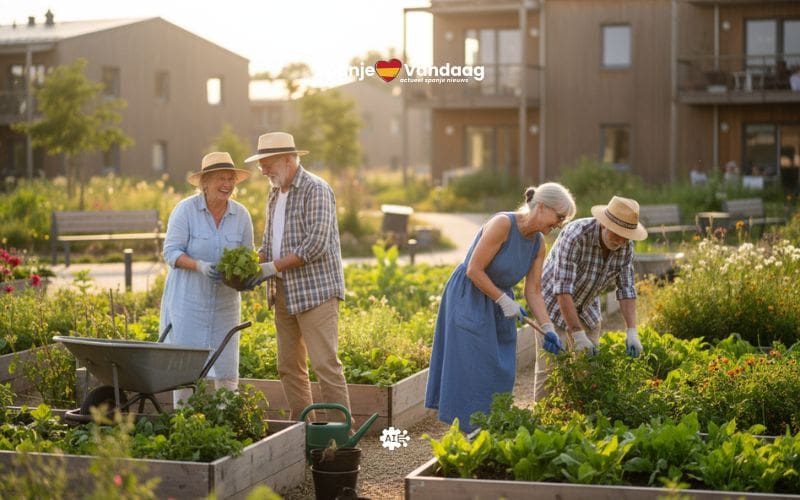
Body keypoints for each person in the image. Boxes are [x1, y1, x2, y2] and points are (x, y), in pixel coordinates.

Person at [425, 183, 577, 432]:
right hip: (470, 296)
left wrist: (548, 327)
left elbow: (533, 291)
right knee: (473, 368)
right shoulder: (503, 224)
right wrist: (505, 301)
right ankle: (470, 434)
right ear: (540, 206)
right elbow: (474, 270)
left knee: (500, 370)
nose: (560, 224)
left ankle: (488, 428)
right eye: (559, 217)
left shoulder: (538, 244)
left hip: (499, 304)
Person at [242, 131, 351, 421]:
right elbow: (268, 242)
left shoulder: (316, 189)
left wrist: (272, 267)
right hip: (283, 292)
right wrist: (249, 265)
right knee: (289, 366)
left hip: (316, 292)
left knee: (325, 364)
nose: (262, 170)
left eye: (267, 163)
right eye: (260, 164)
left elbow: (315, 244)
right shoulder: (275, 192)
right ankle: (304, 430)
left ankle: (341, 434)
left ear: (289, 160)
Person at [160, 152, 254, 407]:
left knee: (226, 364)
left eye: (231, 179)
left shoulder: (241, 215)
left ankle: (228, 417)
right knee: (186, 365)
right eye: (221, 178)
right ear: (205, 183)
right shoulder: (185, 211)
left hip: (225, 303)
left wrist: (246, 278)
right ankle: (185, 419)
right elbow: (171, 253)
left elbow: (248, 257)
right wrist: (199, 266)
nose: (227, 184)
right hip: (188, 302)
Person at [533, 195, 647, 402]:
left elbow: (627, 289)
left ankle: (581, 420)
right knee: (550, 371)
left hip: (587, 307)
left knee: (589, 372)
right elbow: (563, 290)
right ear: (604, 224)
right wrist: (577, 335)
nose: (621, 241)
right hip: (552, 305)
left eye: (626, 236)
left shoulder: (625, 247)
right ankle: (542, 425)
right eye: (617, 233)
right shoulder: (576, 235)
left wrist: (632, 330)